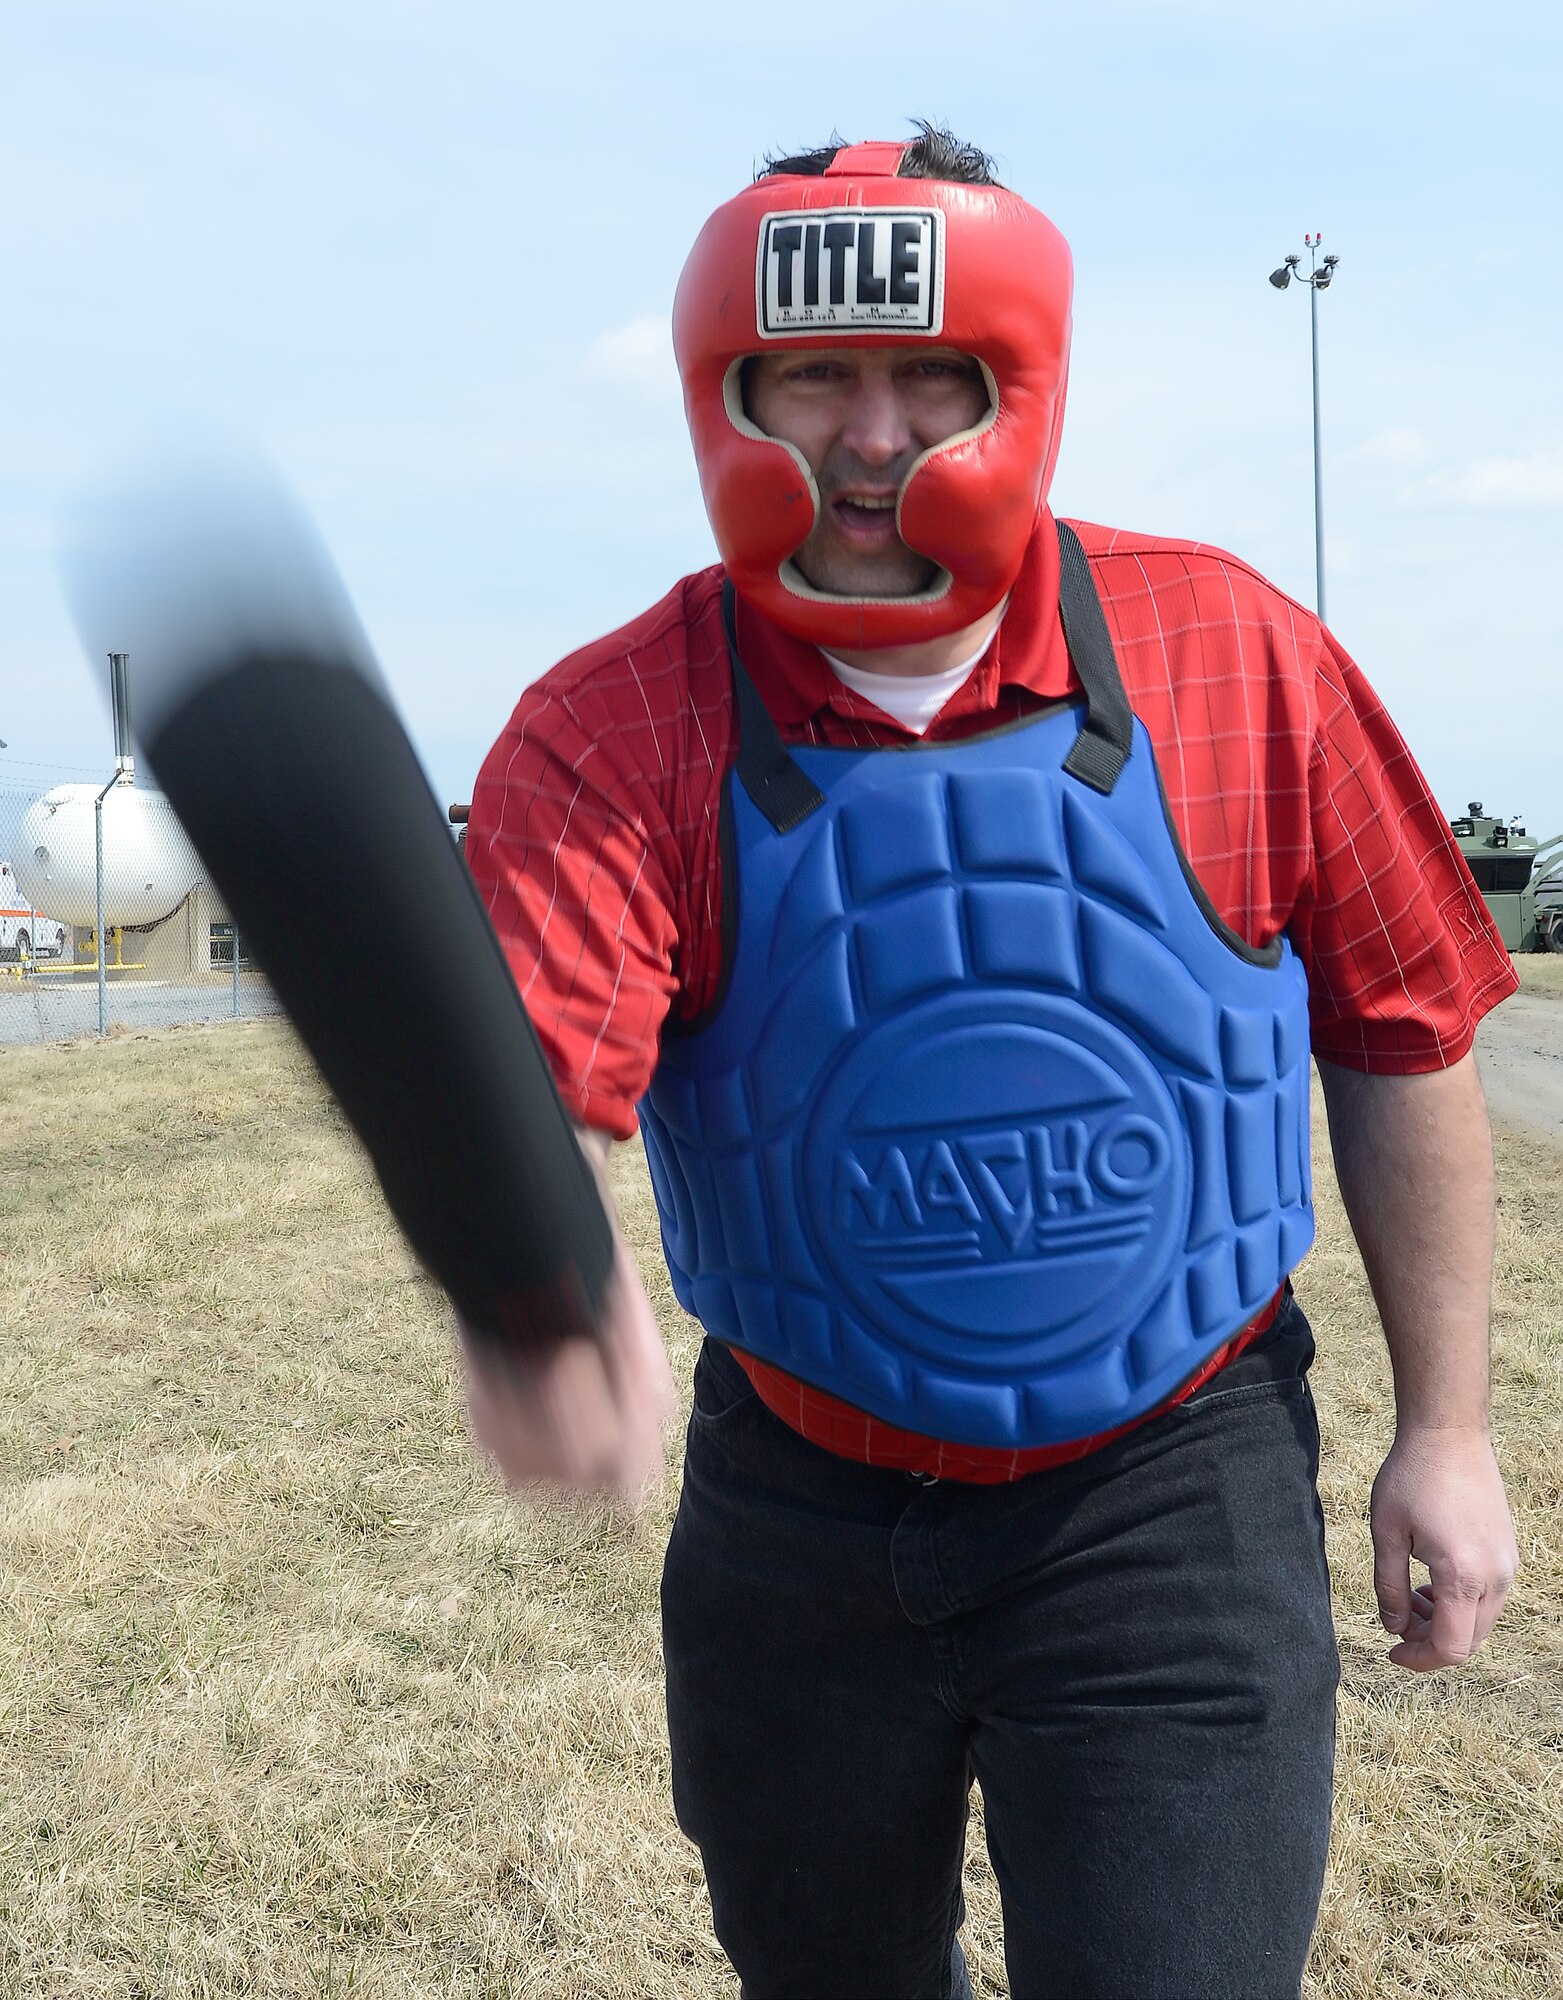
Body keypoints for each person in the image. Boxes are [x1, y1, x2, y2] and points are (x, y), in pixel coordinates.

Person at [463, 126, 1521, 2000]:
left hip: (1169, 1491)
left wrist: (1446, 1431)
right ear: (733, 388)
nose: (872, 438)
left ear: (1014, 383)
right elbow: (545, 1076)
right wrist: (539, 1293)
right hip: (798, 1498)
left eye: (927, 376)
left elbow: (1408, 1029)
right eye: (817, 378)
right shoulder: (614, 726)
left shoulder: (1235, 649)